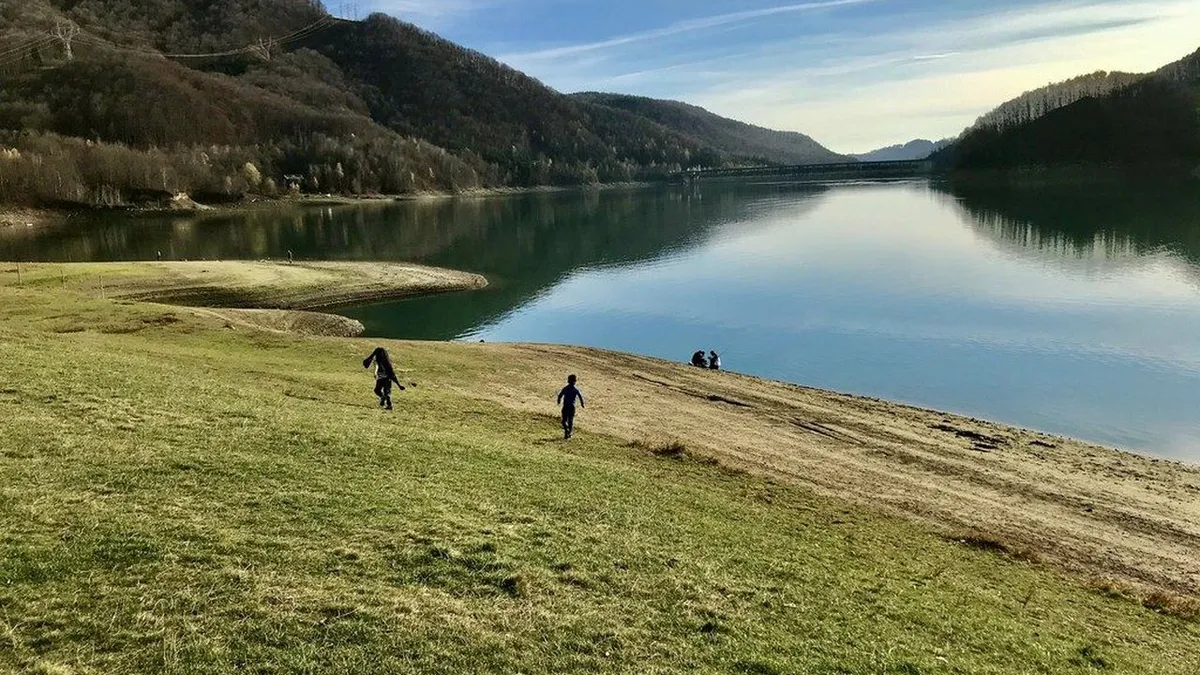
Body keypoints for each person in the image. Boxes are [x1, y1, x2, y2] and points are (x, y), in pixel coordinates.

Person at [557, 374, 585, 440]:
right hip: (572, 407)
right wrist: (582, 404)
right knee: (570, 420)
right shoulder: (575, 390)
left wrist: (558, 400)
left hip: (566, 406)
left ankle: (566, 431)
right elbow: (580, 397)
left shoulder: (566, 388)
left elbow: (560, 395)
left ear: (568, 381)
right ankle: (569, 433)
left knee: (564, 420)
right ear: (575, 381)